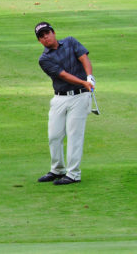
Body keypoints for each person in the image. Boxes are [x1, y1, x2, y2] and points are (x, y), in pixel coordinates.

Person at [35, 22, 95, 185]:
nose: (45, 37)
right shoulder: (44, 59)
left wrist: (89, 77)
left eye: (47, 33)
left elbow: (84, 58)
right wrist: (84, 82)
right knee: (54, 136)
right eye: (41, 36)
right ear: (39, 41)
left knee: (75, 135)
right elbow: (63, 75)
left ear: (53, 32)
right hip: (60, 98)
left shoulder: (70, 42)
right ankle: (57, 169)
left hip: (80, 97)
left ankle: (73, 173)